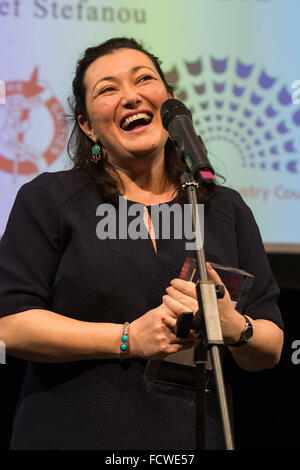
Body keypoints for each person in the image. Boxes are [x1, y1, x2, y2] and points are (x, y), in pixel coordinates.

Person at [0, 37, 284, 450]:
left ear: (170, 102)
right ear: (87, 126)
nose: (131, 96)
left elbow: (271, 345)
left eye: (143, 79)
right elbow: (10, 324)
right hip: (68, 433)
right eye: (108, 89)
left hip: (189, 438)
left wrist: (235, 326)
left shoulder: (223, 207)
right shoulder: (50, 199)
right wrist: (127, 338)